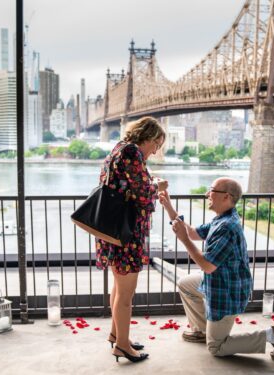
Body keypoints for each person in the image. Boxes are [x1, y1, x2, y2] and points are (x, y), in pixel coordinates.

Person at [158, 178, 274, 360]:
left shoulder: (227, 227)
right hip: (218, 282)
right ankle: (203, 330)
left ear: (226, 197)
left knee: (216, 348)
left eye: (211, 190)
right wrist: (168, 206)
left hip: (227, 292)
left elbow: (207, 266)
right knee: (186, 284)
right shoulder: (223, 218)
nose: (207, 194)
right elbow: (193, 233)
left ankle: (271, 335)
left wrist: (184, 240)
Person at [95, 116, 168, 363]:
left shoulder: (118, 149)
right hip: (127, 234)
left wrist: (149, 182)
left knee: (118, 286)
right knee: (127, 292)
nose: (156, 149)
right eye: (157, 143)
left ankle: (117, 335)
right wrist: (158, 187)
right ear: (148, 137)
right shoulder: (132, 152)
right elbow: (141, 195)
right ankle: (122, 346)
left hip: (114, 231)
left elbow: (126, 186)